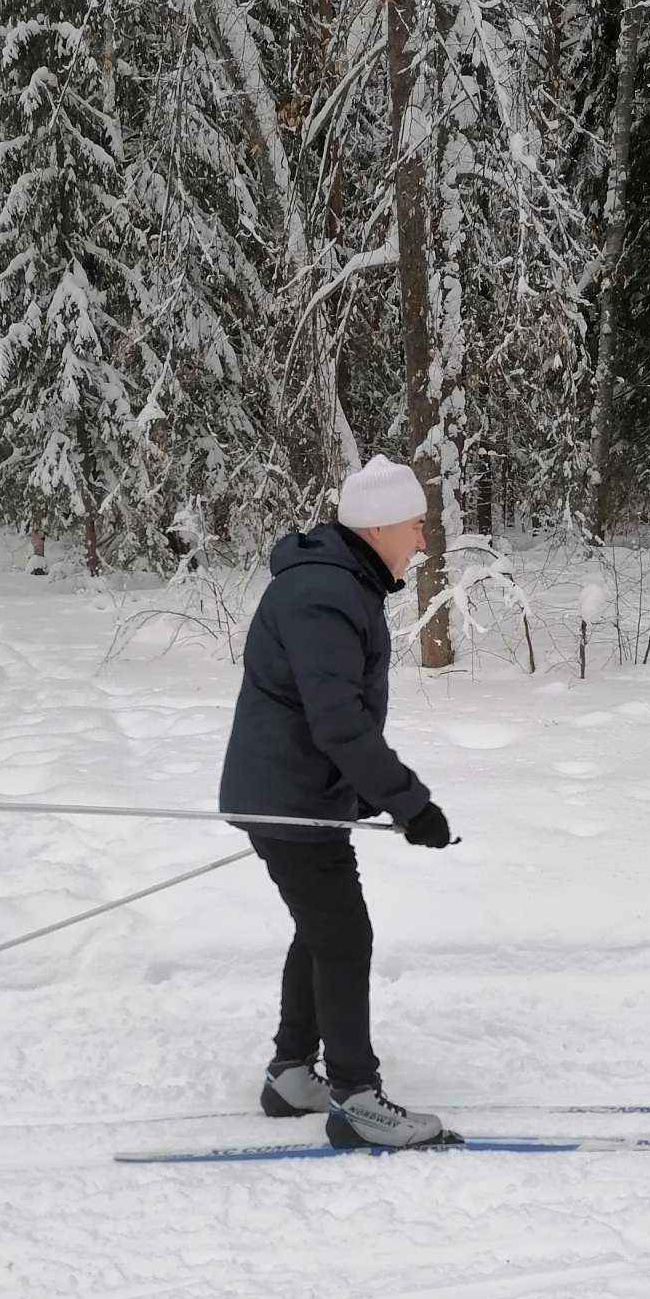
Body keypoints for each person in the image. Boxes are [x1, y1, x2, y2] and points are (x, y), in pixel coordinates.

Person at [219, 455, 454, 1150]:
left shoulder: (335, 584)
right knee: (345, 937)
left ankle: (293, 1072)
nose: (421, 540)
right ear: (378, 525)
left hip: (298, 795)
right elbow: (338, 720)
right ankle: (355, 1098)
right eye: (415, 525)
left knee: (322, 930)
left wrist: (372, 796)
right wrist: (410, 803)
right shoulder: (324, 594)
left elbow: (331, 720)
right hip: (290, 799)